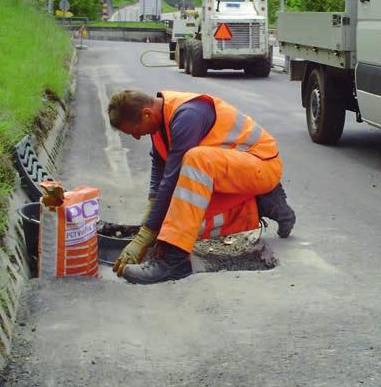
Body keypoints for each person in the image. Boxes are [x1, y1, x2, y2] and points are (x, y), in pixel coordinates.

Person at [107, 89, 295, 285]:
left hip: (261, 166)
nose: (137, 137)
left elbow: (171, 180)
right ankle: (261, 205)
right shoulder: (159, 122)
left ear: (146, 114)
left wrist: (144, 237)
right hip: (235, 173)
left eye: (134, 131)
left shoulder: (188, 116)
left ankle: (175, 262)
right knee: (174, 223)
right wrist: (151, 214)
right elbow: (160, 168)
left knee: (196, 160)